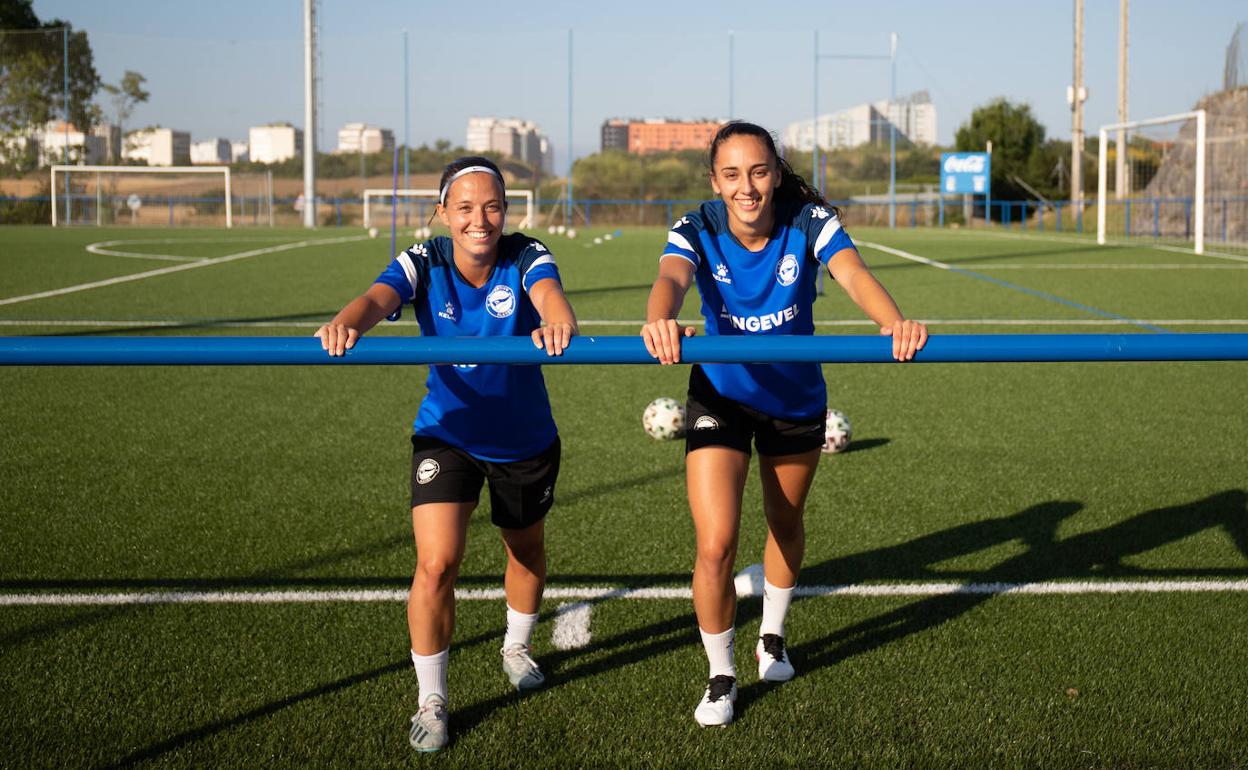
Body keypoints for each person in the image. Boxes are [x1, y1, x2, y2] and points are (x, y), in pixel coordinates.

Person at [640, 121, 927, 727]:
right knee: (715, 544)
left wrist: (892, 322)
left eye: (759, 171)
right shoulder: (698, 225)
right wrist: (660, 318)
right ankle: (721, 674)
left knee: (784, 519)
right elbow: (671, 277)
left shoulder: (806, 220)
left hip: (795, 397)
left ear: (775, 172)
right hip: (722, 393)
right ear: (715, 181)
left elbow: (851, 271)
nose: (748, 187)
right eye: (733, 174)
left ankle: (771, 635)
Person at [316, 156, 578, 752]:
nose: (479, 219)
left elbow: (553, 299)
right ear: (442, 213)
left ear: (506, 212)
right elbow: (375, 299)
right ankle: (432, 699)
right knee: (436, 563)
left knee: (526, 547)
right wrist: (346, 323)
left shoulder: (527, 254)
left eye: (491, 207)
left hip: (523, 439)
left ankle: (516, 645)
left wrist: (557, 324)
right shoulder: (424, 259)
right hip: (447, 432)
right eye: (464, 208)